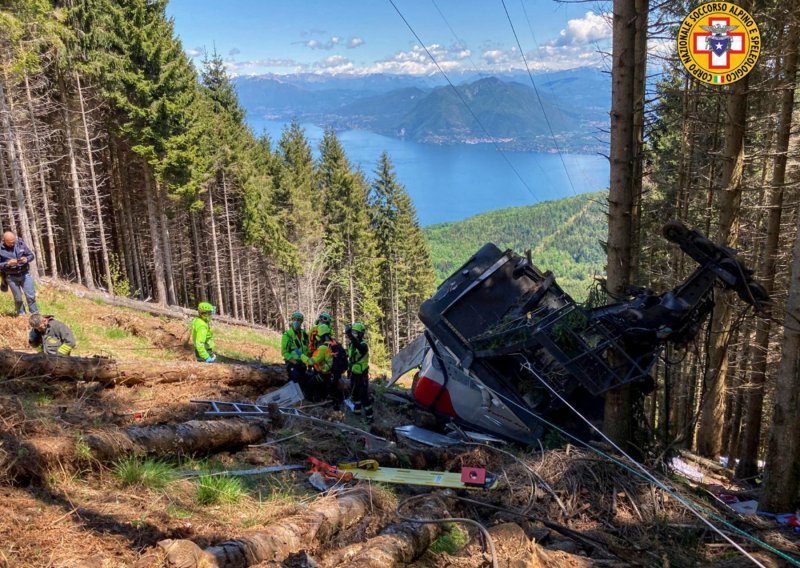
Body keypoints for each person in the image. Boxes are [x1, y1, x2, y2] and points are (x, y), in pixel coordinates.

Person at [301, 323, 344, 406]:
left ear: (320, 336)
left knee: (309, 385)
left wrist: (301, 355)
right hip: (331, 374)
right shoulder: (333, 344)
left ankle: (310, 404)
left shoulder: (323, 348)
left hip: (324, 374)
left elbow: (311, 361)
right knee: (324, 390)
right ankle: (326, 401)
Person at [0, 231, 38, 316]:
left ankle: (35, 314)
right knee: (18, 299)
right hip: (11, 277)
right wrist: (7, 264)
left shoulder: (20, 243)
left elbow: (31, 255)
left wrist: (26, 259)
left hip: (25, 274)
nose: (12, 244)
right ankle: (21, 315)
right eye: (10, 243)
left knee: (30, 296)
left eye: (13, 241)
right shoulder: (0, 249)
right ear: (4, 241)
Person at [346, 322, 372, 420]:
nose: (354, 334)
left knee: (364, 396)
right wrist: (348, 371)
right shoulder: (351, 345)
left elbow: (359, 348)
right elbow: (351, 359)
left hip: (362, 375)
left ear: (361, 334)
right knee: (355, 395)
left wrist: (350, 335)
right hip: (354, 374)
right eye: (353, 332)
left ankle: (370, 417)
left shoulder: (363, 345)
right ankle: (357, 413)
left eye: (356, 333)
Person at [281, 311, 310, 389]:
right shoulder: (287, 335)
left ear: (301, 321)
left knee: (303, 382)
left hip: (303, 363)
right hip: (293, 363)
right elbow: (284, 352)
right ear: (292, 320)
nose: (297, 321)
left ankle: (303, 399)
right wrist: (293, 361)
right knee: (294, 380)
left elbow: (307, 348)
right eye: (295, 319)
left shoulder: (304, 334)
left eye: (299, 320)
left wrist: (308, 360)